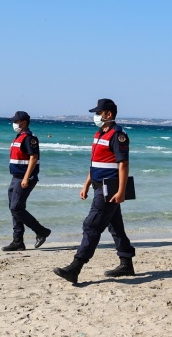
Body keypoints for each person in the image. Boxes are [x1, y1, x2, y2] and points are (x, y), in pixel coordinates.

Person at [54, 99, 136, 284]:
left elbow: (123, 164)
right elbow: (95, 164)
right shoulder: (99, 134)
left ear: (109, 114)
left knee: (91, 226)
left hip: (110, 188)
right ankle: (126, 263)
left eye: (99, 113)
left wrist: (122, 191)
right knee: (115, 227)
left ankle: (76, 267)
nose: (96, 116)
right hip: (98, 185)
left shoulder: (118, 135)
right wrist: (86, 184)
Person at [2, 111, 51, 251]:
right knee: (14, 208)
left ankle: (41, 231)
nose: (14, 124)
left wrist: (26, 178)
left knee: (16, 208)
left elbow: (33, 158)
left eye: (16, 121)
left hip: (24, 178)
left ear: (23, 122)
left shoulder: (30, 139)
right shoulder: (19, 137)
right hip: (15, 177)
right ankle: (18, 241)